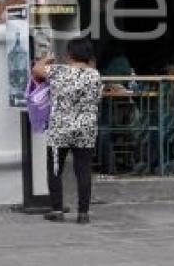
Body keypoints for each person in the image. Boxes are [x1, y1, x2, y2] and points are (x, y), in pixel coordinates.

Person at [32, 37, 102, 225]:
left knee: (55, 169)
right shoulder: (94, 75)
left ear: (69, 54)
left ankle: (57, 209)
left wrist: (47, 58)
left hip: (60, 128)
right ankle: (83, 213)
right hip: (85, 129)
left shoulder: (59, 71)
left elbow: (36, 70)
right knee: (83, 171)